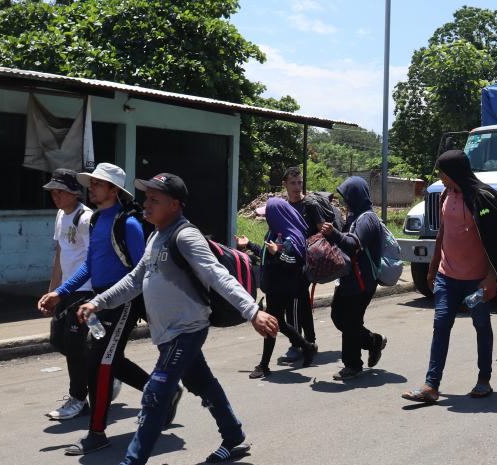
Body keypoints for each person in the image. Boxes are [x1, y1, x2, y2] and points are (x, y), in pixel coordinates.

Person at [76, 173, 279, 464]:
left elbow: (217, 274)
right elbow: (134, 280)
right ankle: (233, 435)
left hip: (187, 329)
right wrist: (98, 302)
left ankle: (132, 461)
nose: (146, 204)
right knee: (201, 383)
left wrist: (252, 311)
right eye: (146, 198)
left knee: (155, 395)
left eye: (154, 199)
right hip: (167, 332)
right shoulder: (155, 236)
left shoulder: (185, 236)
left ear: (174, 204)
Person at [37, 163, 152, 455]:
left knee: (100, 362)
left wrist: (113, 299)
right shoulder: (98, 220)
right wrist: (60, 292)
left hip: (122, 302)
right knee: (103, 359)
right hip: (99, 300)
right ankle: (160, 393)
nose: (92, 188)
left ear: (114, 190)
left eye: (98, 184)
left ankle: (96, 433)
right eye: (92, 183)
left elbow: (141, 272)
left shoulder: (128, 224)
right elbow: (89, 265)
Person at [401, 150, 497, 403]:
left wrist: (492, 277)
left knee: (481, 326)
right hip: (447, 276)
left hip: (477, 280)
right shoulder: (445, 194)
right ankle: (431, 385)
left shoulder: (482, 198)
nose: (440, 176)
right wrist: (432, 268)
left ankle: (484, 379)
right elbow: (443, 233)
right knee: (441, 325)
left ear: (454, 172)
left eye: (443, 172)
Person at [40, 169, 99, 420]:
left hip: (84, 290)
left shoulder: (86, 218)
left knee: (74, 347)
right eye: (53, 193)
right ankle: (103, 372)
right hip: (65, 290)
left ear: (75, 192)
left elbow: (93, 260)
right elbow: (59, 253)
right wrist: (52, 291)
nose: (56, 197)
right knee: (58, 340)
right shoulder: (60, 215)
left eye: (61, 192)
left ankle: (78, 399)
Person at [237, 198, 318, 379]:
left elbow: (294, 262)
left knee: (271, 323)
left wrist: (278, 253)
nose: (266, 218)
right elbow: (266, 253)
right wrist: (249, 244)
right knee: (279, 323)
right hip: (274, 287)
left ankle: (264, 365)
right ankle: (307, 347)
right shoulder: (274, 233)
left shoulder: (291, 237)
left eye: (268, 215)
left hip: (282, 288)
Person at [320, 176, 387, 380]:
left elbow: (353, 245)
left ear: (355, 196)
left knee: (350, 321)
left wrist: (333, 234)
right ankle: (372, 341)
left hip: (362, 281)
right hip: (348, 278)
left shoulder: (367, 219)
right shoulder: (353, 217)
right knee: (339, 317)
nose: (345, 201)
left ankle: (353, 365)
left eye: (347, 196)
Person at [271, 167, 322, 364]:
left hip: (303, 261)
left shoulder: (309, 205)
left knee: (293, 303)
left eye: (299, 182)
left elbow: (321, 230)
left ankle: (297, 345)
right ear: (284, 184)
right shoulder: (284, 206)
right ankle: (310, 341)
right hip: (290, 259)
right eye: (293, 183)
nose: (297, 187)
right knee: (302, 302)